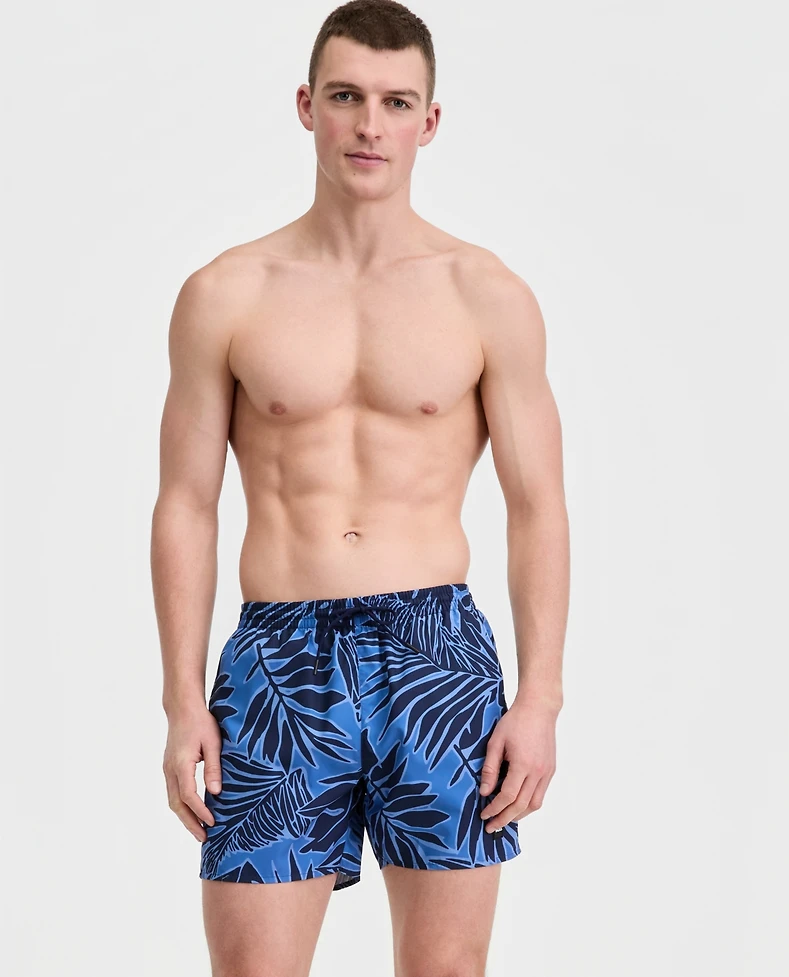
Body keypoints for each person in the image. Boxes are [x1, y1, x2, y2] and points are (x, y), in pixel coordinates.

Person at [151, 1, 570, 973]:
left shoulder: (484, 294)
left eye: (395, 102)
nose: (369, 125)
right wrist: (180, 700)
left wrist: (540, 698)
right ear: (307, 106)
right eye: (345, 97)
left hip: (437, 652)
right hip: (278, 657)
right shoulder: (227, 292)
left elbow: (538, 504)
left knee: (445, 968)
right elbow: (185, 503)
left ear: (429, 120)